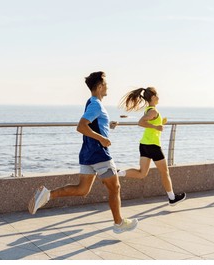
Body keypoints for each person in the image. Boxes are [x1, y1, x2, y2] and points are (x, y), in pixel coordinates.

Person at [28, 71, 138, 234]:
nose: (108, 86)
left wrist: (108, 127)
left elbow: (92, 125)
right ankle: (118, 223)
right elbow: (81, 126)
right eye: (106, 83)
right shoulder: (96, 105)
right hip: (99, 154)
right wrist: (101, 138)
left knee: (82, 189)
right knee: (115, 188)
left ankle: (48, 194)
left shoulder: (91, 102)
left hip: (87, 153)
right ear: (100, 86)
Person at [117, 87, 186, 206]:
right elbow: (141, 122)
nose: (159, 97)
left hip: (144, 144)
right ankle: (172, 198)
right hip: (153, 145)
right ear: (153, 97)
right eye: (157, 95)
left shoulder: (150, 110)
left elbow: (149, 122)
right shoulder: (153, 111)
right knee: (165, 172)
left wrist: (159, 124)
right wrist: (156, 127)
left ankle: (118, 173)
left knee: (142, 173)